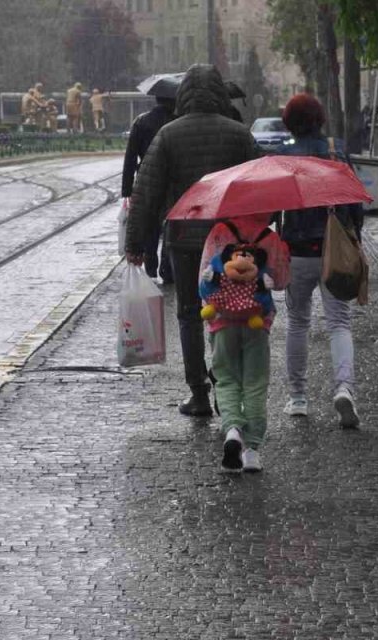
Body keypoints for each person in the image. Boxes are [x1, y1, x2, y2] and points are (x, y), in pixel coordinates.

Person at [126, 64, 260, 417]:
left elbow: (146, 190)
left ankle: (198, 392)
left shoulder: (169, 135)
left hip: (183, 238)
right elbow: (259, 186)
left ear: (183, 94)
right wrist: (262, 232)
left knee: (188, 313)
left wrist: (136, 243)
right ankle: (226, 384)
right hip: (228, 241)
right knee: (229, 311)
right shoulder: (239, 134)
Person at [274, 93, 364, 428]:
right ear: (320, 118)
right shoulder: (335, 150)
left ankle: (298, 398)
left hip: (296, 253)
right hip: (333, 250)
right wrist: (356, 235)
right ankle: (344, 389)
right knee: (339, 323)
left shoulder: (283, 156)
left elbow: (273, 207)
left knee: (297, 323)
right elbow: (355, 200)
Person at [197, 216, 289, 472]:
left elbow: (202, 281)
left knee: (226, 379)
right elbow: (281, 281)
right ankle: (252, 451)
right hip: (257, 323)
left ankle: (233, 430)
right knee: (255, 383)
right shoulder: (269, 238)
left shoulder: (219, 232)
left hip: (221, 322)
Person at [122, 95, 179, 282]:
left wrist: (127, 190)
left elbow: (130, 158)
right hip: (172, 181)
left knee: (150, 224)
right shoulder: (176, 121)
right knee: (170, 223)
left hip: (146, 179)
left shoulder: (142, 122)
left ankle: (151, 266)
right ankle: (166, 268)